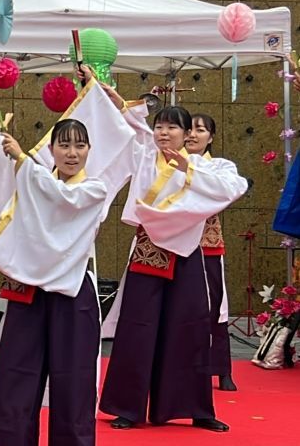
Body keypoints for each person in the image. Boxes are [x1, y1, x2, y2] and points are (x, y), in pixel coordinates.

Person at [0, 80, 121, 446]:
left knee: (73, 383)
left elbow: (59, 196)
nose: (71, 153)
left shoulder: (94, 190)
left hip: (74, 294)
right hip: (29, 290)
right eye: (64, 144)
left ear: (90, 149)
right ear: (53, 149)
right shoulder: (32, 178)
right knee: (15, 376)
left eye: (79, 145)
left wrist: (23, 158)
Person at [97, 87, 247, 432]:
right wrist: (117, 102)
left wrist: (188, 171)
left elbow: (234, 186)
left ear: (187, 134)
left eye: (173, 127)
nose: (164, 133)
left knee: (190, 330)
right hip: (148, 252)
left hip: (186, 255)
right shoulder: (144, 156)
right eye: (160, 126)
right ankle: (127, 407)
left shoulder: (206, 166)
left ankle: (197, 408)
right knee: (137, 329)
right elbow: (128, 130)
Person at [185, 112, 240, 392]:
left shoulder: (220, 166)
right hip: (175, 245)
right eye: (189, 129)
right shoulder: (168, 164)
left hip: (207, 245)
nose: (193, 135)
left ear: (211, 137)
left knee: (215, 307)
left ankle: (221, 369)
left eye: (201, 130)